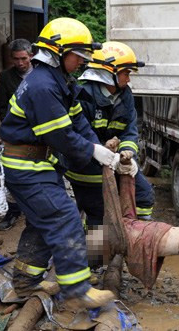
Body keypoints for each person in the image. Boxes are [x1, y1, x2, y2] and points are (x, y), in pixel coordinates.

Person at [0, 17, 123, 309]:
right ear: (58, 52)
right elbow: (61, 136)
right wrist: (91, 152)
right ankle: (77, 290)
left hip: (37, 165)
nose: (82, 62)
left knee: (42, 223)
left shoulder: (60, 81)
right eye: (78, 56)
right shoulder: (43, 85)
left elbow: (78, 121)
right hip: (27, 166)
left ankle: (26, 282)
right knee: (64, 218)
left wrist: (97, 146)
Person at [64, 41, 154, 226]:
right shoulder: (82, 95)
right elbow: (80, 134)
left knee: (144, 194)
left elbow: (131, 127)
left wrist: (127, 154)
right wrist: (103, 151)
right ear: (108, 73)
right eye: (125, 73)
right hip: (85, 166)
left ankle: (138, 234)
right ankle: (93, 251)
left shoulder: (125, 94)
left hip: (114, 161)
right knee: (98, 211)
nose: (128, 79)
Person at [0, 39, 34, 231]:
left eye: (23, 59)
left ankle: (35, 211)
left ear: (31, 56)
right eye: (15, 59)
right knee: (12, 174)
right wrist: (10, 128)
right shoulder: (5, 77)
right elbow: (2, 107)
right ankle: (13, 211)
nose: (19, 63)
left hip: (39, 133)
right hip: (15, 134)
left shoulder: (40, 76)